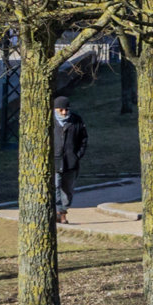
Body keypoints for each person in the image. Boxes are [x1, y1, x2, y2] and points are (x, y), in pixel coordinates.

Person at [48, 94, 88, 222]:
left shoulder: (76, 120)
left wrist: (78, 155)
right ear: (55, 110)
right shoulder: (49, 121)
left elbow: (83, 139)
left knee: (68, 190)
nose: (64, 112)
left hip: (71, 162)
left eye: (66, 109)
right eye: (61, 110)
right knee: (55, 187)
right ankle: (59, 212)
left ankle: (63, 209)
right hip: (54, 161)